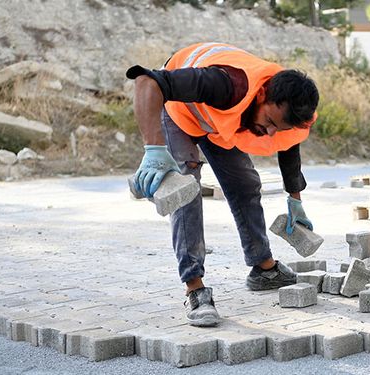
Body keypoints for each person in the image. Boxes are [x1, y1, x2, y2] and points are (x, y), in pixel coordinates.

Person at [126, 42, 319, 327]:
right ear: (263, 94)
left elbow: (287, 144)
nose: (269, 133)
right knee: (185, 190)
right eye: (268, 121)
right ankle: (195, 288)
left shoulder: (292, 114)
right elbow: (146, 81)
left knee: (245, 184)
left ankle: (263, 269)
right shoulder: (226, 84)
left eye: (278, 127)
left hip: (218, 121)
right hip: (179, 111)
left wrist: (295, 199)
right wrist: (153, 149)